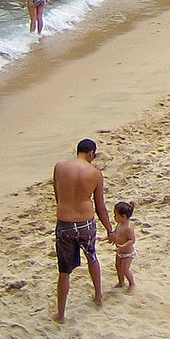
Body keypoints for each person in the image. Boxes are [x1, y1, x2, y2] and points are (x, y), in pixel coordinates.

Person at [52, 138, 114, 323]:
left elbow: (58, 196)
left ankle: (61, 314)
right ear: (91, 154)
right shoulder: (95, 174)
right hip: (86, 223)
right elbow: (100, 206)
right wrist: (109, 229)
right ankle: (98, 296)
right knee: (92, 257)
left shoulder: (59, 167)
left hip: (65, 223)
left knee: (64, 270)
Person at [109, 200, 136, 292]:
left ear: (123, 216)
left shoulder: (128, 228)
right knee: (117, 266)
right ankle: (121, 282)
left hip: (128, 253)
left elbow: (132, 240)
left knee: (125, 270)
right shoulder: (119, 224)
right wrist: (106, 238)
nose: (114, 217)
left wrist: (123, 246)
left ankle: (132, 283)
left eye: (116, 215)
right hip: (119, 251)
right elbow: (116, 234)